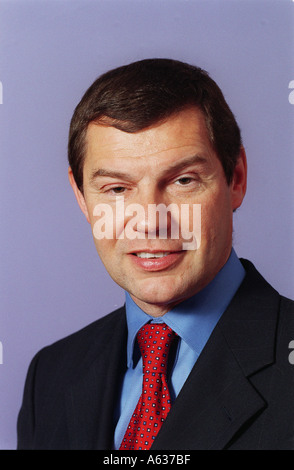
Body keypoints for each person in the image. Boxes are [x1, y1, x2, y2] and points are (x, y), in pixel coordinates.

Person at [17, 58, 294, 450]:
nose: (149, 221)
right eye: (116, 189)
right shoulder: (51, 375)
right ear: (81, 196)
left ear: (236, 179)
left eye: (183, 181)